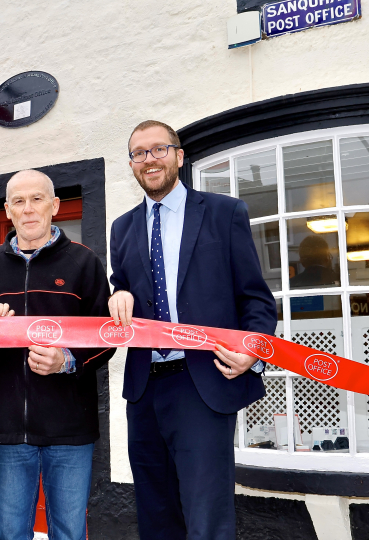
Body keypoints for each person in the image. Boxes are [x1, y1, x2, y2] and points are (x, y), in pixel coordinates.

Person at [108, 120, 278, 540]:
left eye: (159, 149)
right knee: (156, 516)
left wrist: (253, 352)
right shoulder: (122, 227)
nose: (149, 160)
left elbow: (255, 299)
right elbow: (124, 288)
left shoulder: (224, 212)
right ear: (132, 164)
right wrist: (119, 295)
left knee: (207, 521)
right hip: (144, 389)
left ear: (179, 156)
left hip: (201, 382)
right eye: (139, 153)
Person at [0, 170, 114, 540]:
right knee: (12, 532)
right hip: (7, 427)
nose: (28, 209)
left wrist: (67, 360)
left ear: (55, 206)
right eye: (18, 201)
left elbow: (106, 336)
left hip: (70, 426)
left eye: (37, 199)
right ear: (7, 209)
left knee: (68, 532)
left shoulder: (84, 262)